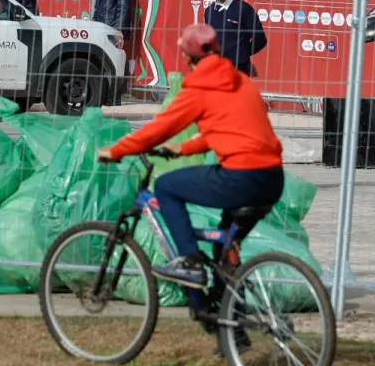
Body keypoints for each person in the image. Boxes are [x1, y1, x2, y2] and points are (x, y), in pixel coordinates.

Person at [98, 23, 283, 289]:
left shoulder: (200, 87)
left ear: (186, 57)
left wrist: (116, 150)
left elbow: (158, 130)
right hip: (272, 179)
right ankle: (229, 308)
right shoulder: (239, 80)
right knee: (223, 251)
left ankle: (189, 262)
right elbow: (231, 130)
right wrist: (183, 149)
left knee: (166, 186)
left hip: (241, 177)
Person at [202, 0, 268, 77]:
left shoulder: (244, 9)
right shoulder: (209, 11)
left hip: (238, 72)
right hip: (215, 70)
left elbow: (260, 40)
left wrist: (241, 56)